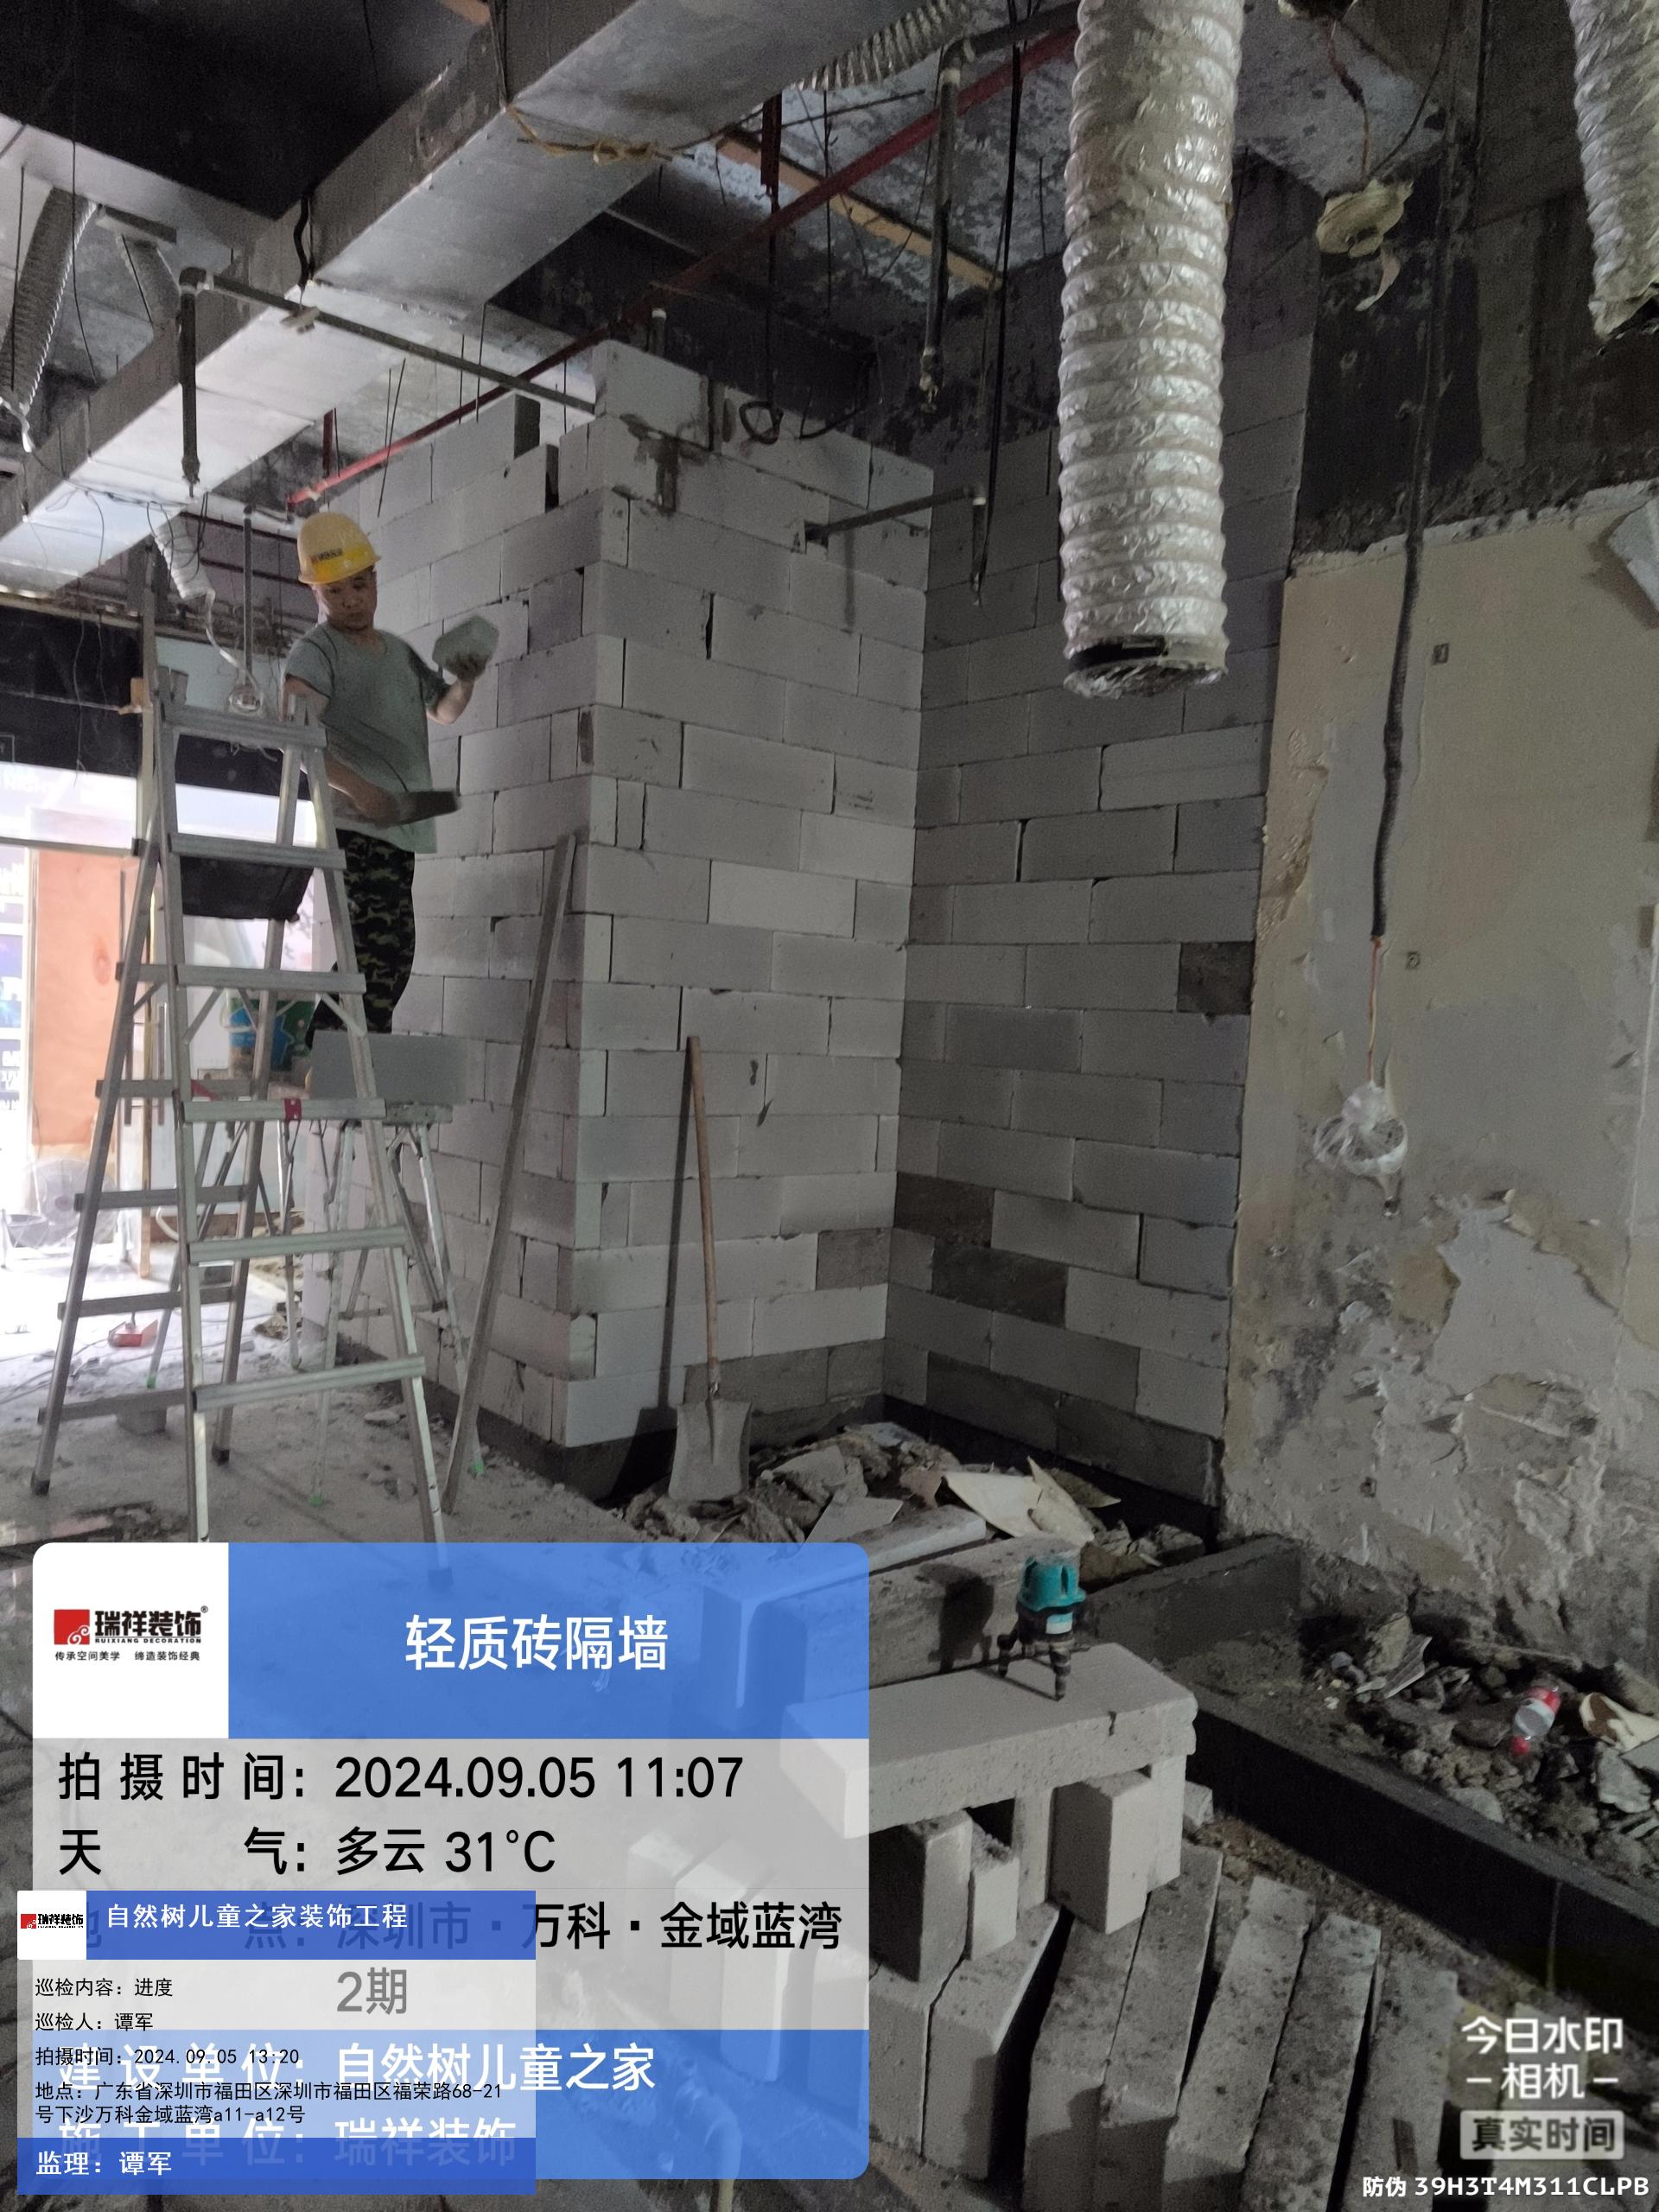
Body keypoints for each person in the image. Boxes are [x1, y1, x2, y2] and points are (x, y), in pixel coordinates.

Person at [283, 512, 486, 1033]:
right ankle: (336, 1055)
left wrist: (465, 680)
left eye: (359, 584)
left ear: (374, 581)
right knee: (373, 957)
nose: (351, 600)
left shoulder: (397, 653)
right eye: (335, 591)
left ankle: (339, 1053)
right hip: (357, 827)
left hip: (399, 827)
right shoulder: (317, 652)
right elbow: (296, 734)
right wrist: (359, 789)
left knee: (395, 959)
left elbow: (444, 710)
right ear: (316, 593)